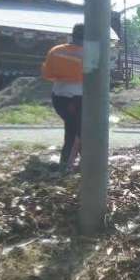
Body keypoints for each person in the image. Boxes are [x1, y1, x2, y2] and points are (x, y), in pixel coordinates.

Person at [41, 24, 85, 172]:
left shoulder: (56, 51)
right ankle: (68, 165)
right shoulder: (89, 53)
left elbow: (47, 74)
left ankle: (75, 163)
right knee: (77, 132)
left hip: (59, 97)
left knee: (75, 129)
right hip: (77, 99)